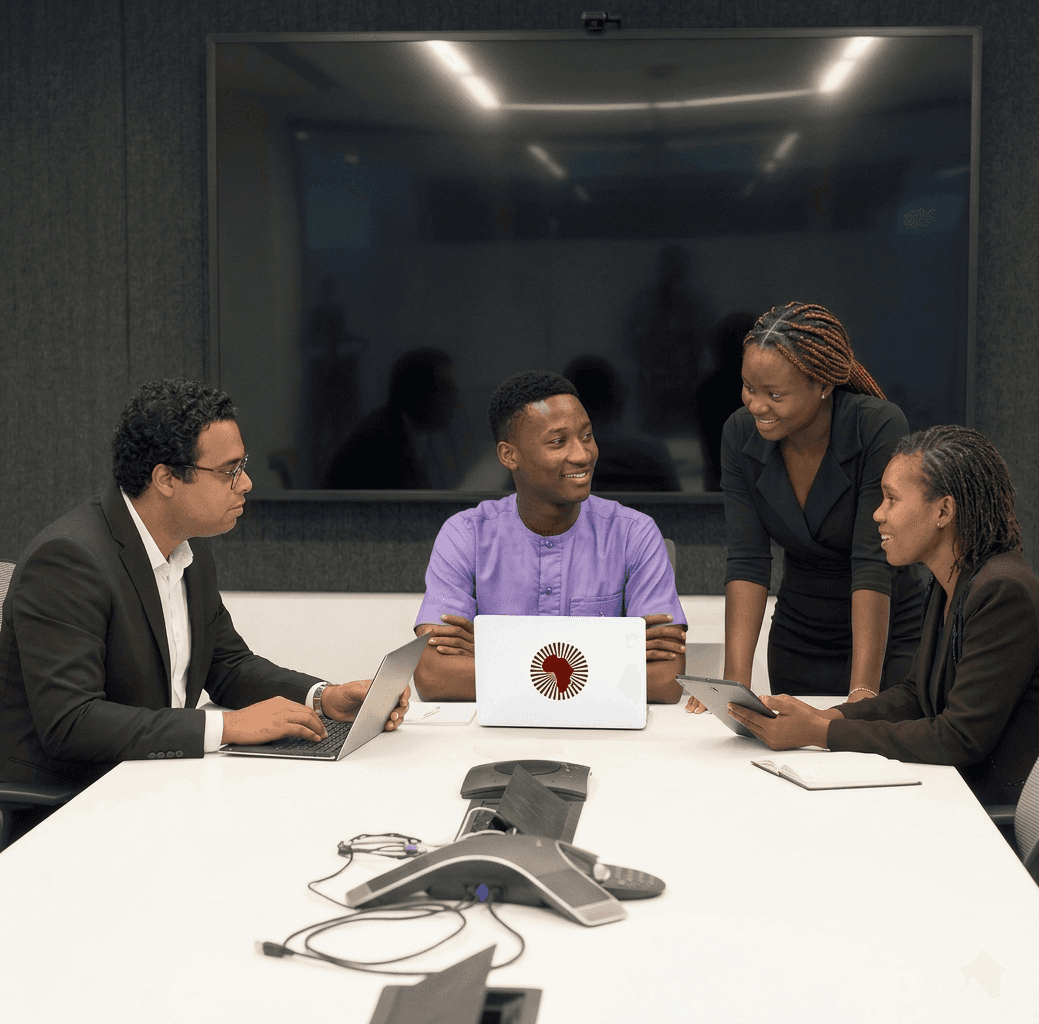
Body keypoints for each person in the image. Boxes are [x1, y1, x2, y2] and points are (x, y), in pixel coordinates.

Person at [0, 379, 409, 815]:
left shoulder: (187, 550)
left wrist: (324, 697)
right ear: (166, 478)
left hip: (156, 782)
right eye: (229, 470)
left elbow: (228, 665)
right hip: (73, 804)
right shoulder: (69, 560)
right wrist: (228, 726)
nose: (246, 483)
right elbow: (72, 723)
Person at [728, 426, 1039, 807]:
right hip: (951, 790)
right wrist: (829, 717)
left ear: (943, 511)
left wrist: (820, 734)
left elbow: (959, 738)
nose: (878, 513)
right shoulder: (951, 581)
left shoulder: (1003, 591)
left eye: (892, 499)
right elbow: (915, 695)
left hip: (987, 813)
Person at [413, 371, 687, 703]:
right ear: (509, 455)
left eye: (587, 436)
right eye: (558, 442)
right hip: (495, 729)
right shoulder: (466, 535)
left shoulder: (634, 533)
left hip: (604, 731)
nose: (583, 455)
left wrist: (490, 657)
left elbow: (665, 680)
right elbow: (433, 676)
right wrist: (612, 658)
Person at [704, 302, 924, 703]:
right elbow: (748, 560)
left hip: (887, 637)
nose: (756, 406)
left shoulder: (876, 426)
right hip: (799, 637)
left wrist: (862, 691)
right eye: (749, 388)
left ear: (822, 385)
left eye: (774, 394)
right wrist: (733, 686)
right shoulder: (739, 434)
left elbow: (871, 561)